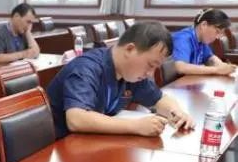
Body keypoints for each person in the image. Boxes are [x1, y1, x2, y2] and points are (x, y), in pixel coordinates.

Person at [47, 21, 195, 139]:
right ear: (130, 49)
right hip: (59, 149)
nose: (150, 74)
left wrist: (177, 113)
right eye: (150, 65)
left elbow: (159, 99)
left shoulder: (131, 73)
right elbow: (76, 119)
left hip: (92, 142)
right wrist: (136, 126)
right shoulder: (86, 69)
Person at [172, 8, 235, 76]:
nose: (218, 37)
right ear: (204, 25)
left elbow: (210, 57)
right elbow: (180, 67)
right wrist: (217, 70)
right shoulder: (183, 38)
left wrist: (222, 65)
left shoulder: (202, 40)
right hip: (178, 82)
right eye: (217, 31)